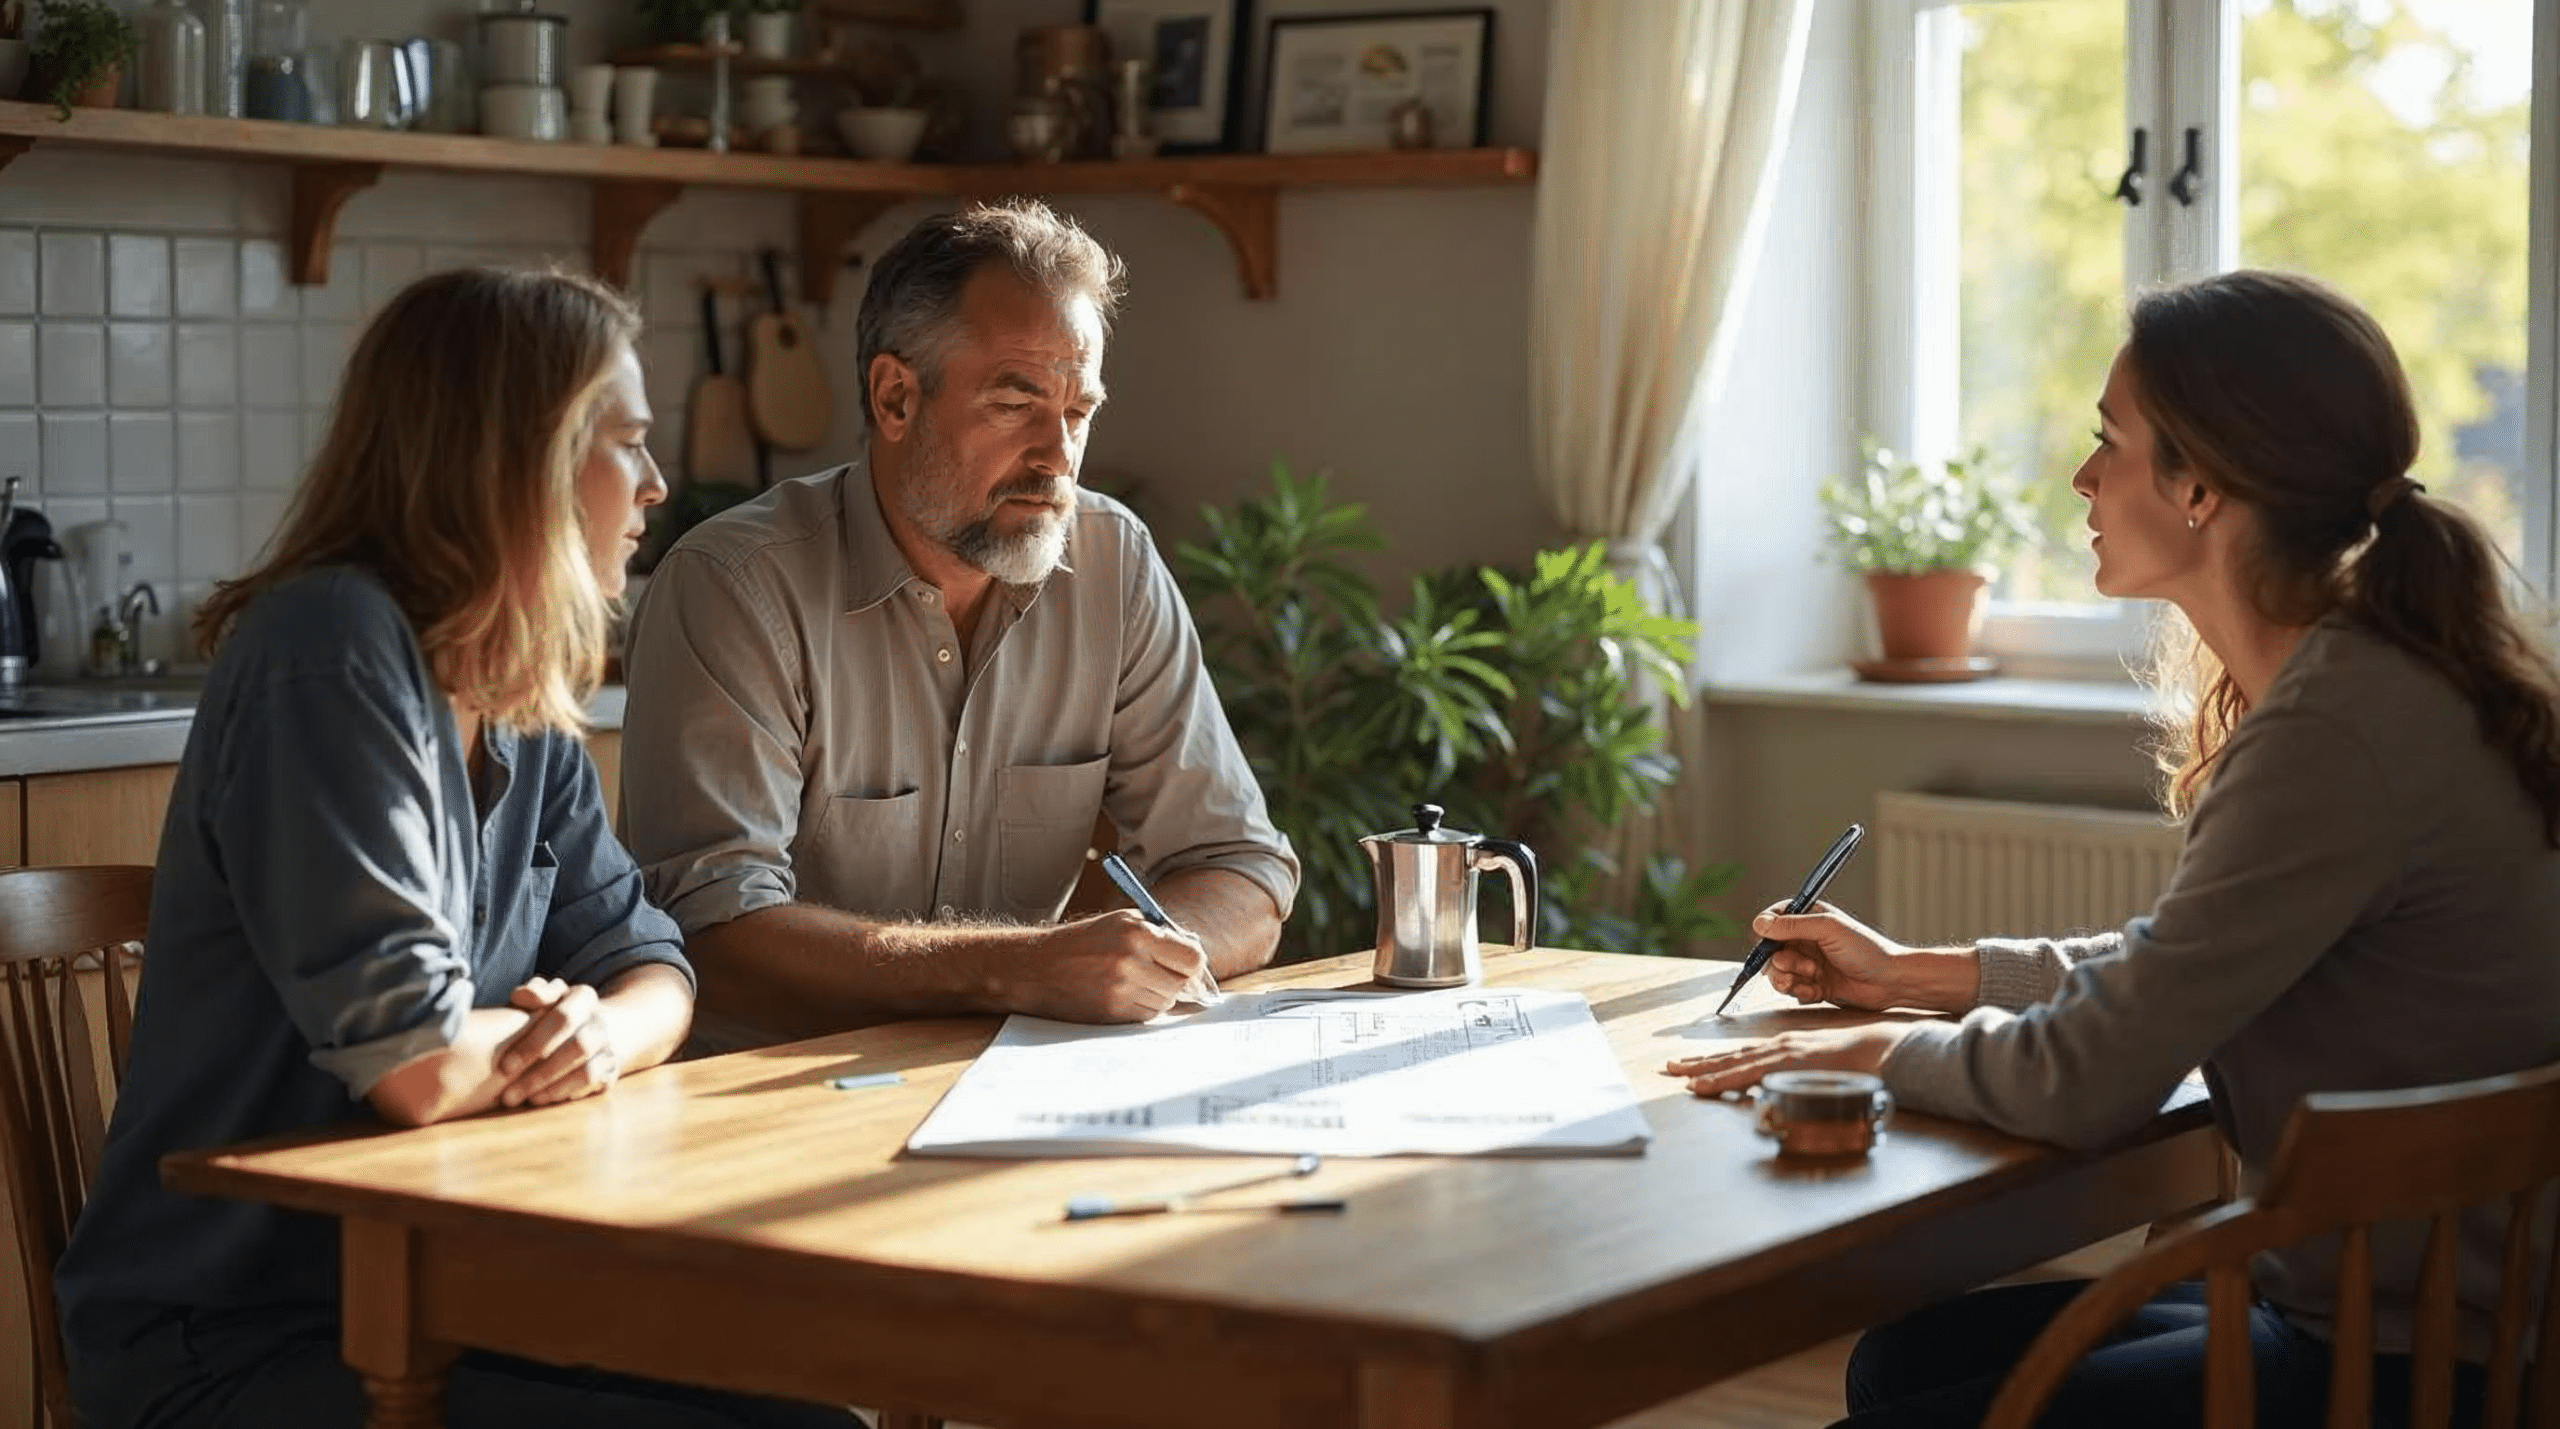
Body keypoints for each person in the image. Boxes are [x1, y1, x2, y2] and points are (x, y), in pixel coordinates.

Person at [1666, 270, 2560, 1428]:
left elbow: (2081, 1079)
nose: (2083, 477)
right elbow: (2179, 965)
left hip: (2391, 1371)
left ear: (2201, 485)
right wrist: (1921, 975)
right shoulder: (2384, 679)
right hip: (2406, 1321)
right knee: (1904, 1361)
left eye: (2110, 442)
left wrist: (1874, 1054)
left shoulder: (2337, 729)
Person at [53, 268, 866, 1429]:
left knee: (812, 1417)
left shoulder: (516, 693)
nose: (655, 485)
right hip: (230, 1334)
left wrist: (594, 1031)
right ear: (521, 458)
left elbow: (659, 966)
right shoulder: (329, 654)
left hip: (453, 1292)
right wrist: (560, 1033)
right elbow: (419, 1064)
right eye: (625, 443)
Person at [619, 199, 1297, 1046]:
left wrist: (1152, 961)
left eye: (1078, 412)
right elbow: (711, 932)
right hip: (767, 1099)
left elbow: (1240, 865)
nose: (1058, 457)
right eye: (1016, 405)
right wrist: (1021, 969)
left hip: (1009, 1087)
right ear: (895, 396)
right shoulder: (736, 584)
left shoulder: (1113, 563)